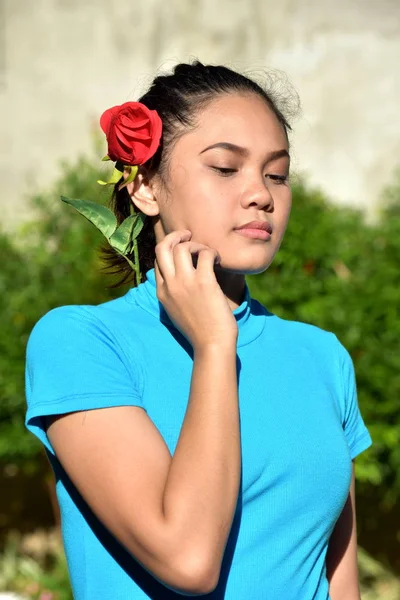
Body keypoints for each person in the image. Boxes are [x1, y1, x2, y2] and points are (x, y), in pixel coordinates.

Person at [25, 60, 372, 600]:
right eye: (226, 168)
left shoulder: (322, 356)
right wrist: (214, 345)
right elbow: (187, 560)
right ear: (144, 186)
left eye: (276, 173)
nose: (261, 194)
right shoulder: (81, 341)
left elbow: (340, 581)